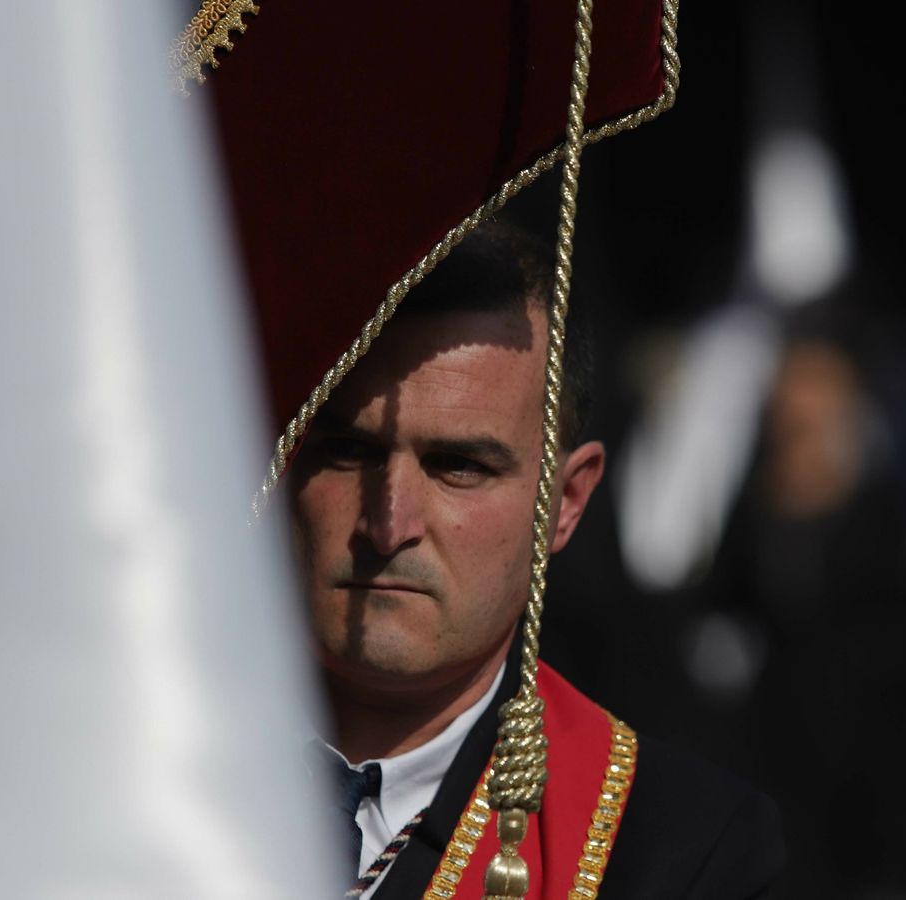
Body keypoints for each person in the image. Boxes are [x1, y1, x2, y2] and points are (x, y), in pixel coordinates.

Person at [287, 221, 785, 899]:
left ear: (566, 503)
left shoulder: (681, 855)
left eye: (457, 466)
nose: (389, 524)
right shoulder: (123, 749)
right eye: (348, 451)